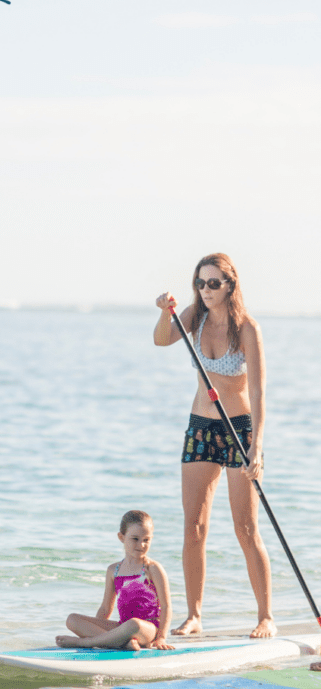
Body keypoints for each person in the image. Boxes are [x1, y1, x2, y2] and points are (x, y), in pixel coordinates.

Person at [154, 252, 275, 639]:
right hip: (200, 428)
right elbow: (161, 340)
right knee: (194, 527)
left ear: (230, 285)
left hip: (239, 429)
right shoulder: (194, 315)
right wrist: (164, 312)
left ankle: (265, 617)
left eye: (213, 283)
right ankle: (194, 615)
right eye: (200, 282)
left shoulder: (248, 329)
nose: (205, 290)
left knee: (245, 527)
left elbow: (257, 391)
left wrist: (257, 447)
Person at [56, 510, 173, 651]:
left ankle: (86, 642)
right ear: (121, 537)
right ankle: (123, 643)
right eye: (135, 539)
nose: (141, 545)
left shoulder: (152, 568)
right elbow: (105, 608)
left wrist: (161, 637)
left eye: (146, 540)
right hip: (122, 628)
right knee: (72, 619)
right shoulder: (113, 571)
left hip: (146, 629)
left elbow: (166, 606)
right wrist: (92, 627)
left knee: (133, 624)